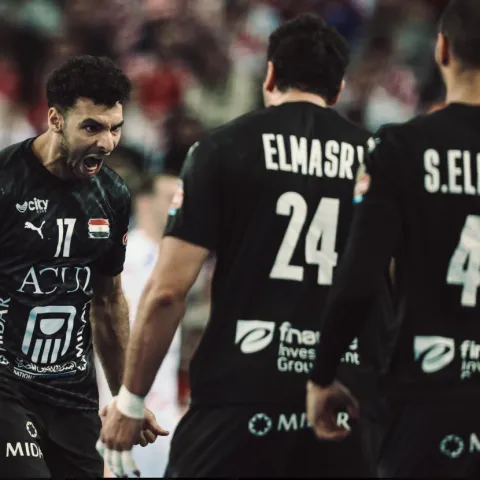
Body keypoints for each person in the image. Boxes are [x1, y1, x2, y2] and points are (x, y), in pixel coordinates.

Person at [98, 14, 392, 478]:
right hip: (346, 398)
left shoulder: (222, 148)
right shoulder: (381, 161)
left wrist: (131, 400)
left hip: (240, 396)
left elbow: (168, 291)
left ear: (269, 75)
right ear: (338, 89)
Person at [306, 0, 480, 477]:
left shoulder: (402, 147)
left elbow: (359, 277)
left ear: (442, 49)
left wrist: (323, 374)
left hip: (426, 392)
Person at [0, 55, 165, 478]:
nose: (107, 143)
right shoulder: (6, 181)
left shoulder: (113, 196)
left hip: (73, 396)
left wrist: (127, 398)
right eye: (91, 127)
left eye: (115, 128)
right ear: (55, 119)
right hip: (7, 388)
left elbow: (108, 304)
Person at [96, 173, 183, 477]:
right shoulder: (125, 259)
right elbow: (105, 327)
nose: (179, 205)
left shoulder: (174, 262)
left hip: (164, 413)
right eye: (171, 197)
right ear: (145, 202)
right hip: (123, 408)